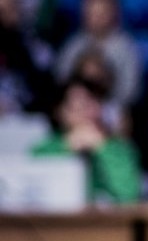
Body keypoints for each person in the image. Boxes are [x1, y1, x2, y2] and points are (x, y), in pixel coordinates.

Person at [31, 75, 142, 204]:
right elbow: (32, 181)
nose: (85, 112)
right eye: (76, 106)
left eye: (90, 103)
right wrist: (68, 145)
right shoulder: (46, 148)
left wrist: (102, 147)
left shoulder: (120, 149)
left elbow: (130, 196)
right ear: (59, 112)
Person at [54, 0, 143, 126]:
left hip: (112, 109)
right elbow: (62, 80)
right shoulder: (73, 45)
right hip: (76, 107)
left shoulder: (126, 47)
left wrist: (100, 106)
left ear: (113, 13)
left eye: (101, 12)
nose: (96, 17)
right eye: (91, 12)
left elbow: (130, 92)